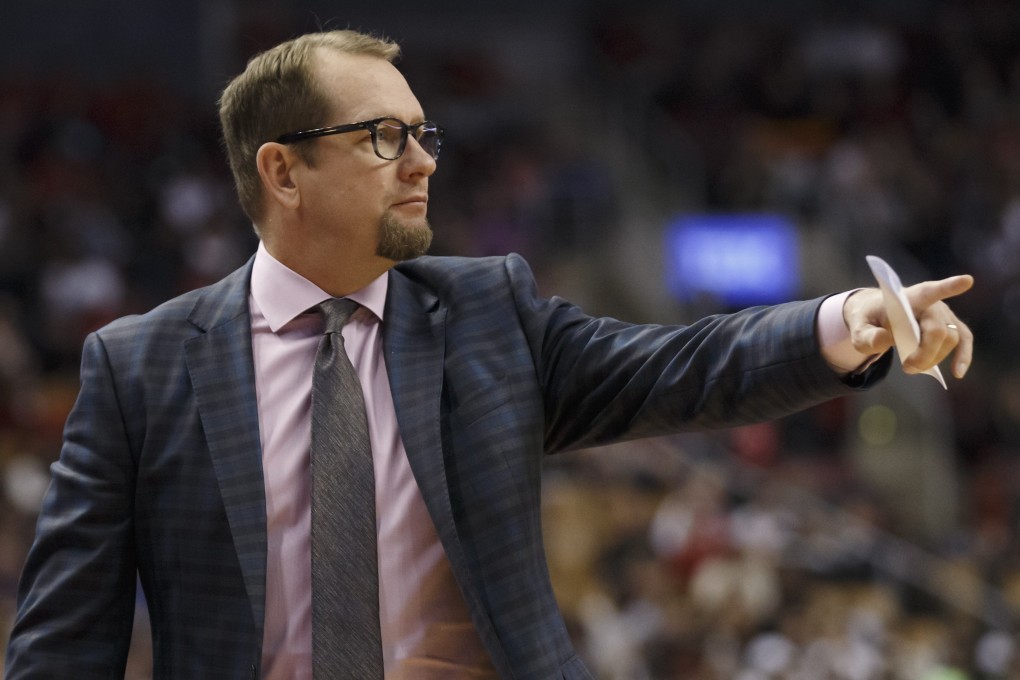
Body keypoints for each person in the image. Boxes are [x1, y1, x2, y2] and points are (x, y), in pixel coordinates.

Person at [4, 29, 974, 680]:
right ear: (282, 168)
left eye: (423, 132)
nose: (425, 159)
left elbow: (680, 365)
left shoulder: (487, 311)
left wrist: (849, 318)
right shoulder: (137, 367)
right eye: (385, 136)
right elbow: (61, 646)